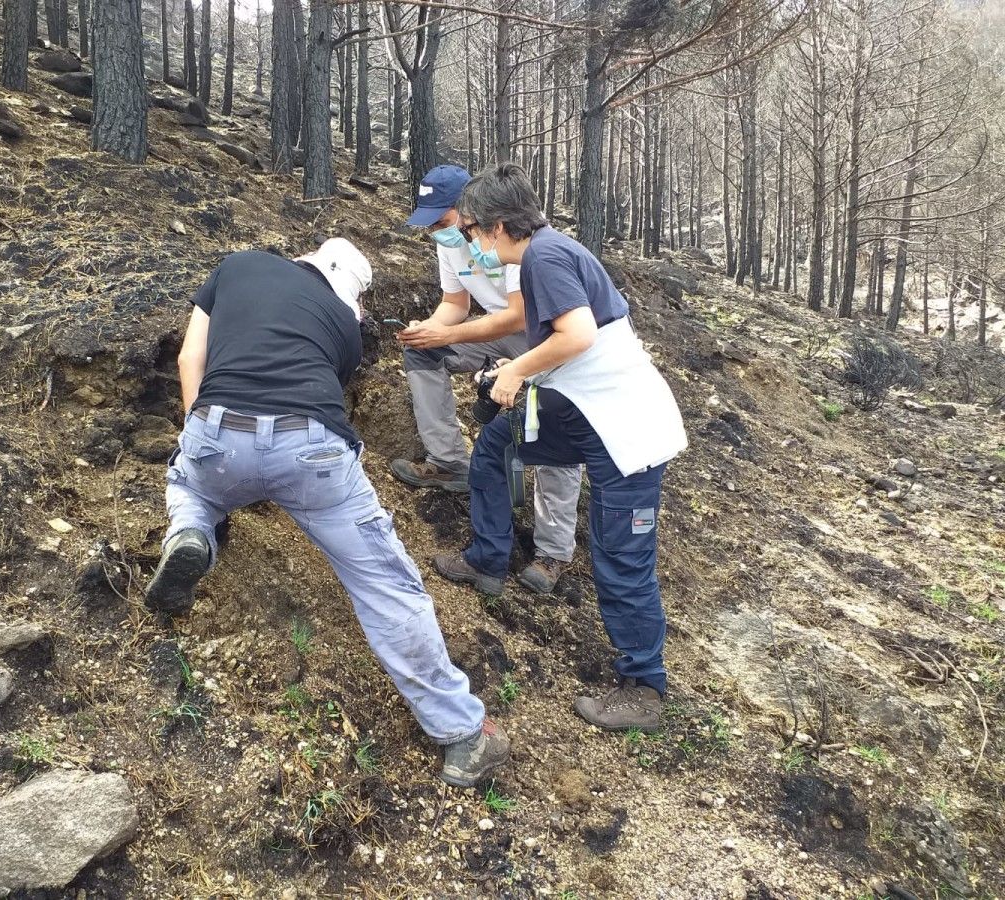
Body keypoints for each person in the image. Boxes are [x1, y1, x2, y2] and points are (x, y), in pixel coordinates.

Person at [145, 238, 509, 787]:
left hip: (217, 431)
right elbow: (316, 386)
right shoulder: (344, 325)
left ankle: (194, 529)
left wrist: (200, 431)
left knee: (188, 483)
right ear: (347, 293)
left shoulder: (236, 267)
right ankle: (461, 735)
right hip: (311, 452)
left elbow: (188, 357)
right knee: (385, 584)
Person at [432, 165, 688, 732]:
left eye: (472, 231)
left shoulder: (545, 257)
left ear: (498, 227)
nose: (470, 243)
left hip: (627, 431)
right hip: (579, 411)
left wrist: (515, 370)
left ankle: (644, 688)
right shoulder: (541, 256)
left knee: (621, 561)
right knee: (496, 448)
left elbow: (579, 335)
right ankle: (487, 558)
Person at [391, 164, 582, 595]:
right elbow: (454, 303)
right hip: (490, 331)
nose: (438, 231)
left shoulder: (509, 239)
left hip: (540, 336)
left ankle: (552, 552)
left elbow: (516, 316)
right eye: (431, 223)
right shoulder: (450, 244)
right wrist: (429, 330)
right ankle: (448, 463)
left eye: (443, 220)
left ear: (470, 210)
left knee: (551, 421)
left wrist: (452, 333)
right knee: (423, 353)